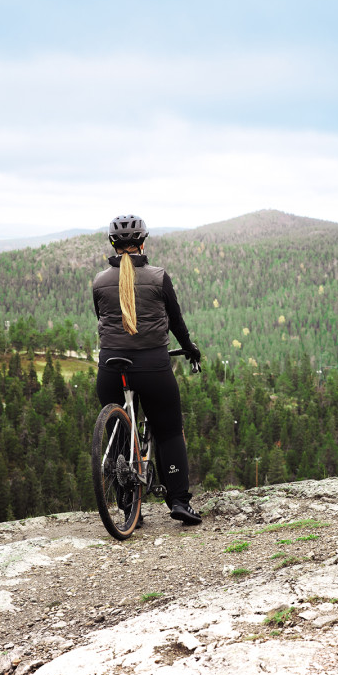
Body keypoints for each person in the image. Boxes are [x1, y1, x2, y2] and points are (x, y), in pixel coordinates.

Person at [92, 214, 203, 525]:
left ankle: (129, 509)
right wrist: (191, 350)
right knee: (169, 431)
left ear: (113, 244)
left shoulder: (99, 281)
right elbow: (177, 323)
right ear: (142, 242)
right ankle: (179, 501)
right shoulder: (158, 276)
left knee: (117, 434)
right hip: (152, 366)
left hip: (112, 367)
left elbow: (102, 320)